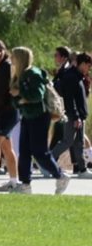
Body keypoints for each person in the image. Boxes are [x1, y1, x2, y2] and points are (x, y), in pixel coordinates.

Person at [9, 46, 68, 194]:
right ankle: (25, 184)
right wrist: (18, 99)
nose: (11, 60)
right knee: (24, 151)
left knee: (40, 151)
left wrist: (20, 94)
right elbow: (15, 100)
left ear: (20, 58)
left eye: (14, 57)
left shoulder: (33, 74)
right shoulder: (19, 75)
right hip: (27, 116)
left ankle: (60, 176)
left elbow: (37, 95)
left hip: (39, 117)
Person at [50, 46, 88, 176]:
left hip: (78, 115)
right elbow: (70, 99)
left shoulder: (77, 76)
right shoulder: (72, 77)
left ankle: (82, 169)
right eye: (88, 66)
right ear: (81, 64)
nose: (89, 69)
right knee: (68, 141)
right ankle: (48, 162)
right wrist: (77, 116)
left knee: (78, 143)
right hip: (73, 115)